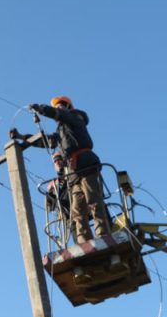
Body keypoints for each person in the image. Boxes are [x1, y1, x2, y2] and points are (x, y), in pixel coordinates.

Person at [29, 96, 112, 244]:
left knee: (93, 200)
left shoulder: (75, 117)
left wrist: (41, 109)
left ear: (67, 107)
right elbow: (47, 141)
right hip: (73, 171)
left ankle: (102, 235)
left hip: (85, 163)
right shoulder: (62, 130)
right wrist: (23, 138)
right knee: (77, 210)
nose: (58, 109)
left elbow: (60, 114)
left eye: (60, 106)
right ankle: (83, 241)